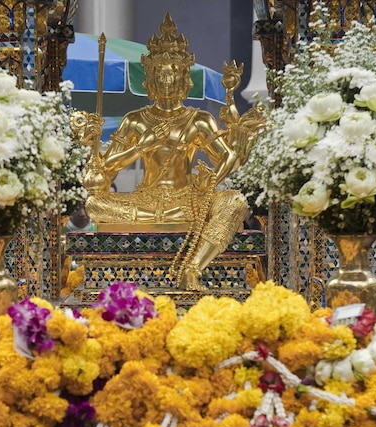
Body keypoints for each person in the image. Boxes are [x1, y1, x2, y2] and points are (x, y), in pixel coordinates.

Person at [73, 14, 264, 290]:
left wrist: (211, 178)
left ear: (184, 79)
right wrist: (142, 144)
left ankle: (195, 266)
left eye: (172, 76)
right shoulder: (136, 120)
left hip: (188, 200)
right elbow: (104, 172)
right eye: (160, 76)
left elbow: (230, 157)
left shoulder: (198, 119)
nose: (165, 83)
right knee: (94, 204)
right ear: (149, 79)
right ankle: (167, 232)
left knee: (235, 201)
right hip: (146, 201)